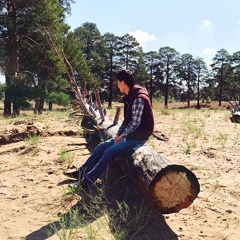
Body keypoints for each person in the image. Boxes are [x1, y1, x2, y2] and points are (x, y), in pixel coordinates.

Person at [64, 69, 154, 189]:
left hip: (139, 135)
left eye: (117, 82)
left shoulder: (138, 98)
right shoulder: (129, 96)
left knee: (109, 152)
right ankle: (81, 172)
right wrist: (118, 134)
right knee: (101, 147)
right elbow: (127, 120)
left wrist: (122, 136)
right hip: (131, 133)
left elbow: (135, 123)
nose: (117, 85)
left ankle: (86, 183)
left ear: (122, 82)